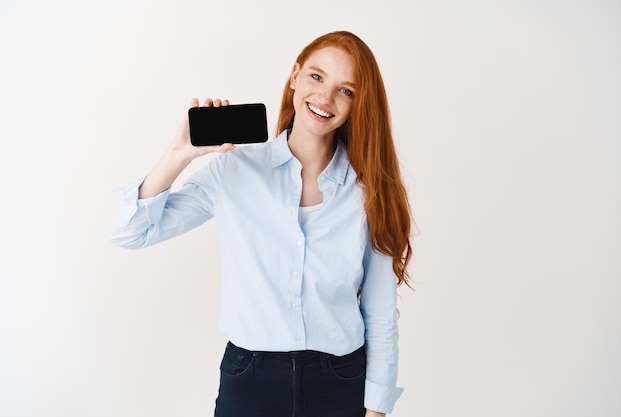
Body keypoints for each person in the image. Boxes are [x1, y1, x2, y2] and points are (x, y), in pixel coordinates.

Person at [110, 30, 413, 417]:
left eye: (346, 90)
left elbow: (381, 313)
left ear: (357, 104)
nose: (324, 97)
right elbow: (130, 232)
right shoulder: (236, 168)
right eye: (317, 77)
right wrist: (179, 154)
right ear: (295, 76)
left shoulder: (368, 191)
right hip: (250, 379)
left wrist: (377, 409)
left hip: (340, 382)